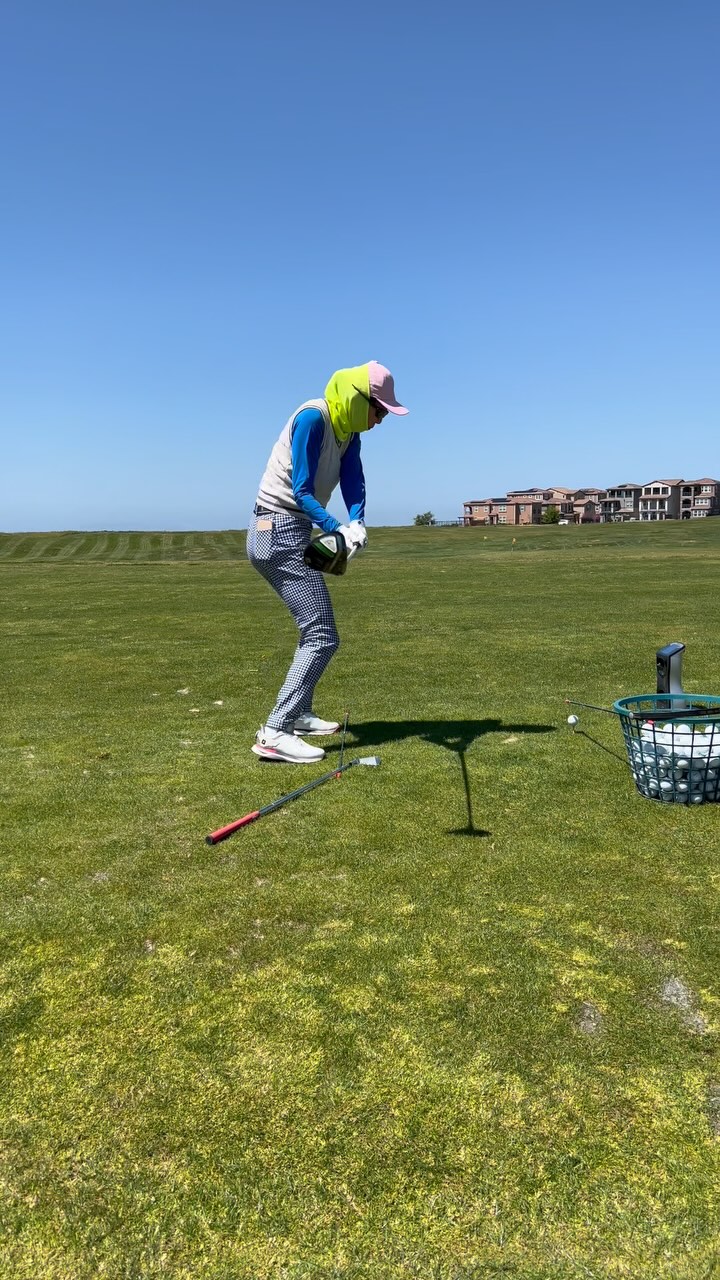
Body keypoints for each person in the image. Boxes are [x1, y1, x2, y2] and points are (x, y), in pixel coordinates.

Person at [246, 361, 408, 763]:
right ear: (359, 400)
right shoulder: (312, 419)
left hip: (294, 530)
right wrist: (337, 527)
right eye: (380, 410)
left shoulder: (348, 430)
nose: (381, 419)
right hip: (276, 529)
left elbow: (354, 478)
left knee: (313, 628)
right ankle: (275, 730)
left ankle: (299, 714)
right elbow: (301, 490)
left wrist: (357, 521)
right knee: (322, 634)